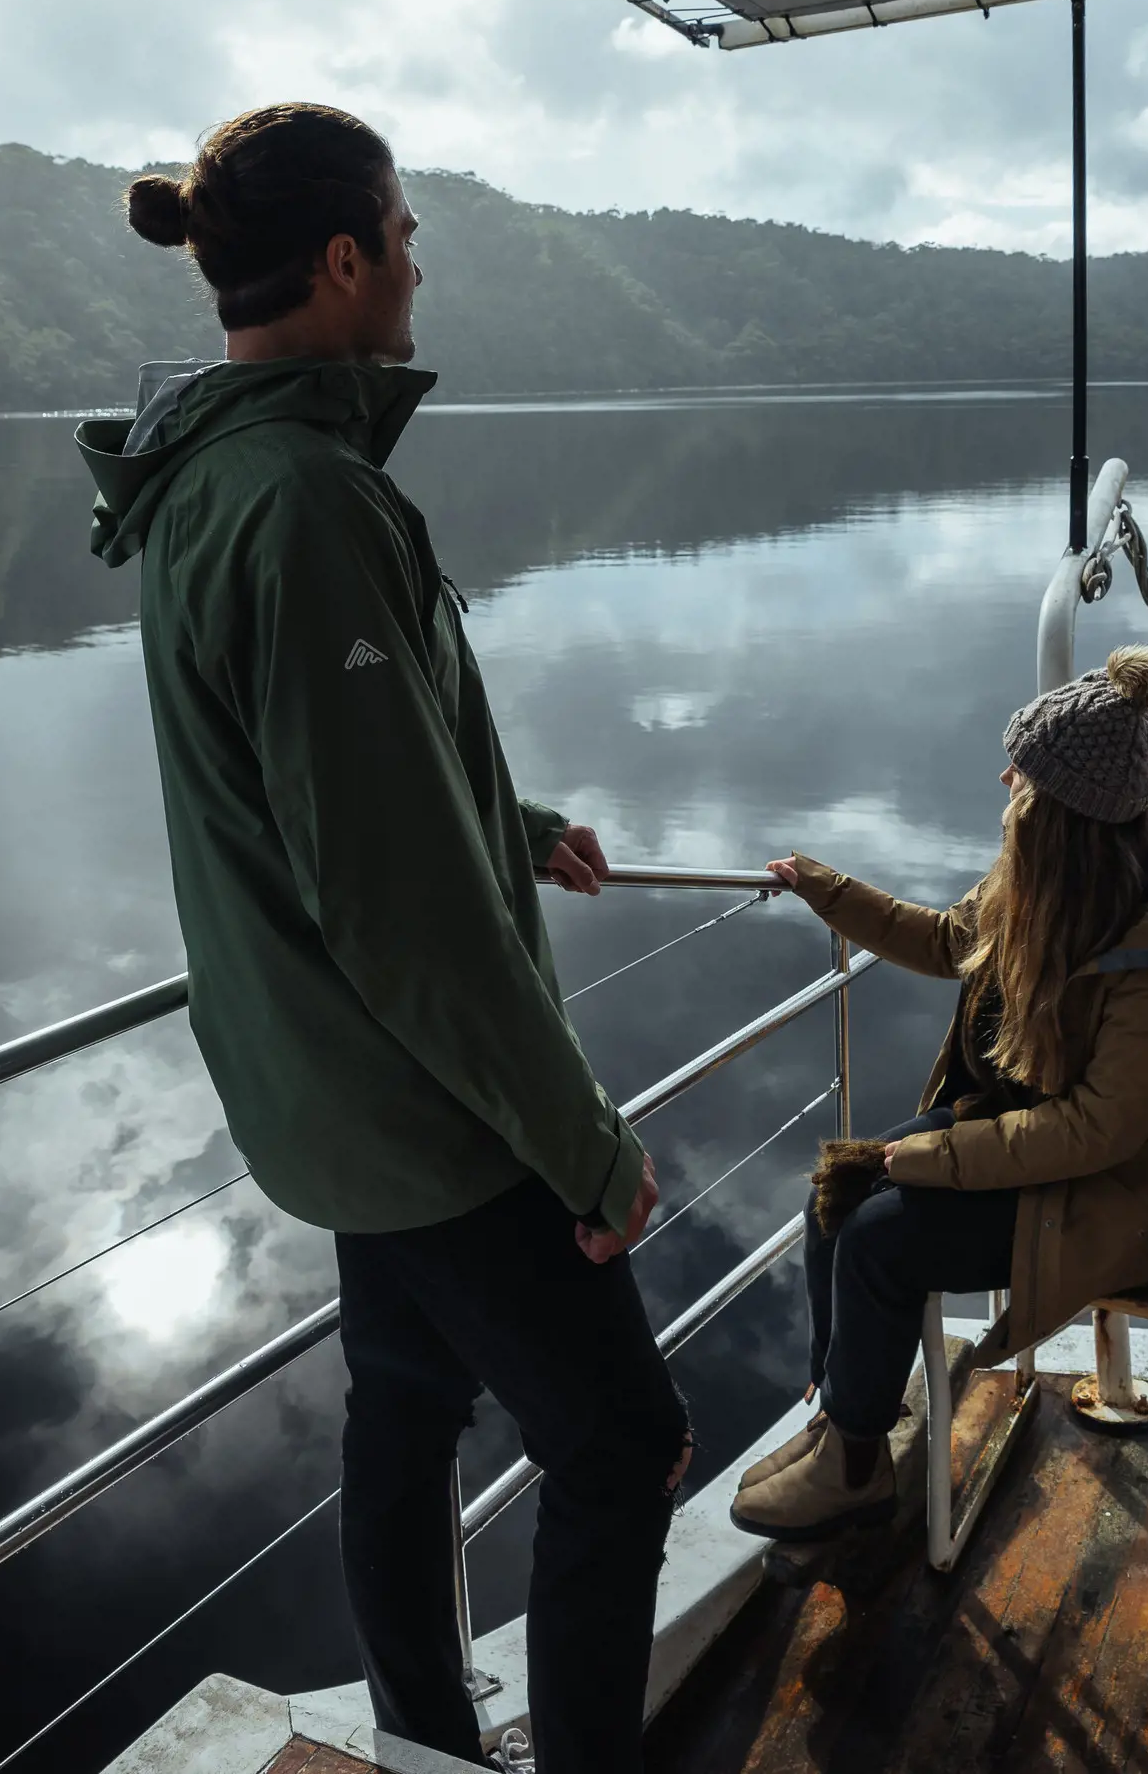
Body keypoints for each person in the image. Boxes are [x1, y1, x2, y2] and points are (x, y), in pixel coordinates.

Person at [75, 103, 685, 1774]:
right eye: (405, 235)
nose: (420, 263)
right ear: (345, 260)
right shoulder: (303, 500)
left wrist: (511, 818)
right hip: (430, 1112)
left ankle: (425, 1737)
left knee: (405, 1416)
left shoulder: (213, 480)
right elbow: (394, 901)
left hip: (329, 1100)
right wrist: (580, 1143)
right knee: (623, 1441)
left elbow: (347, 785)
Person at [728, 646, 1148, 1539]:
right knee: (837, 1194)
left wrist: (933, 1155)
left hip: (1111, 1197)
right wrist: (828, 889)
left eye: (1023, 772)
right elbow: (944, 941)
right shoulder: (1044, 879)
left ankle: (853, 1466)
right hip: (1023, 1139)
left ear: (1060, 811)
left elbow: (1098, 1131)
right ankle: (845, 1424)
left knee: (881, 1239)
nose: (1004, 777)